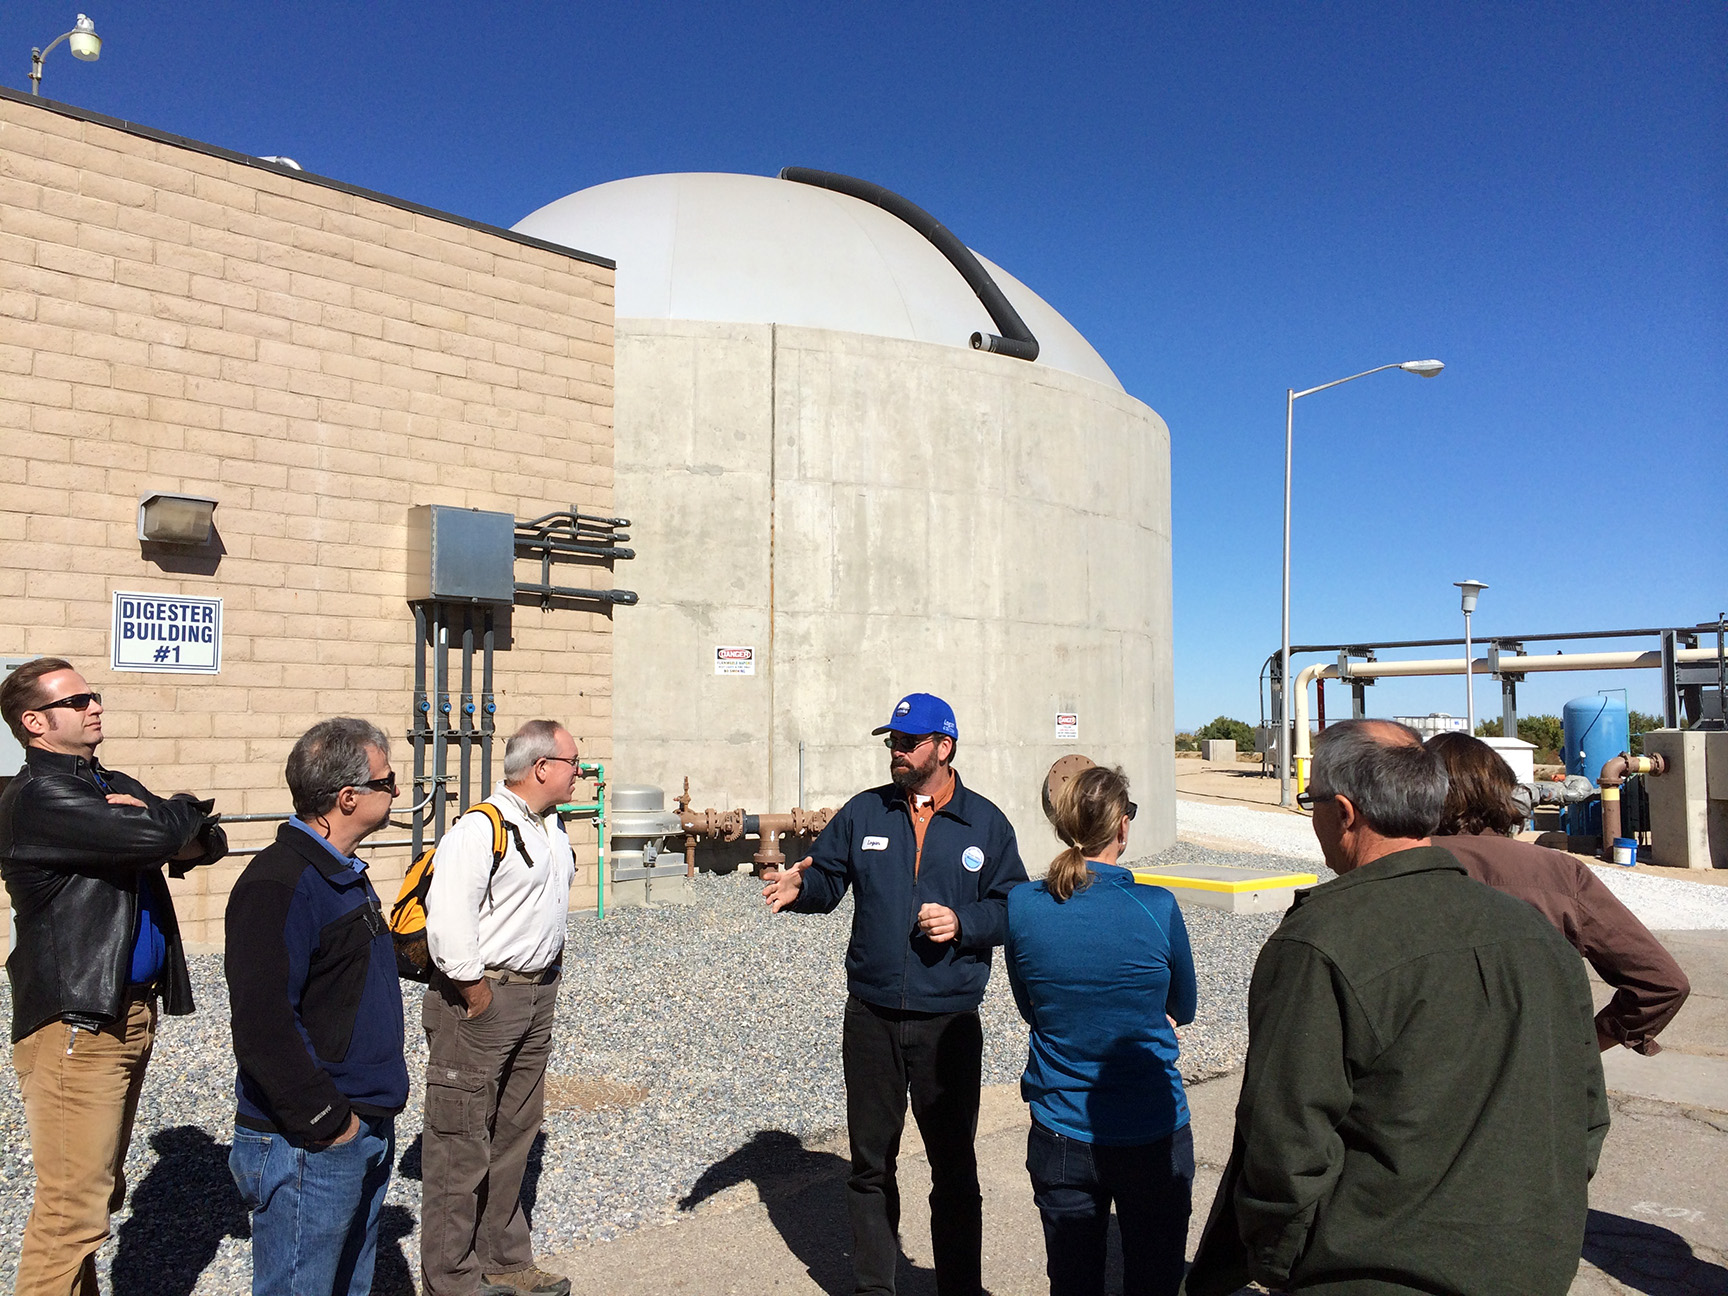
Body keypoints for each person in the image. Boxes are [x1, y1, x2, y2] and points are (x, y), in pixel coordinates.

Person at [1186, 719, 1609, 1296]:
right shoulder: (1538, 937)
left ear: (1343, 812)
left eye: (1312, 802)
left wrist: (1282, 1262)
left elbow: (1283, 1145)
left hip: (1368, 1274)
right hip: (1532, 1268)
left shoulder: (1318, 942)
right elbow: (1585, 1114)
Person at [764, 692, 1028, 1296]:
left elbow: (1013, 906)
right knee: (870, 1166)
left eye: (909, 743)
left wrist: (964, 922)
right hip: (872, 1016)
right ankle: (873, 1288)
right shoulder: (866, 812)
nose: (897, 752)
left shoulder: (986, 824)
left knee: (953, 1168)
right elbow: (827, 878)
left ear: (944, 747)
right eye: (893, 742)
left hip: (948, 1022)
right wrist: (799, 889)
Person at [0, 657, 225, 1296]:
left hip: (129, 1013)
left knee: (94, 1197)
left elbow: (208, 841)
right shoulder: (42, 797)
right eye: (76, 701)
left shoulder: (106, 783)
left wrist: (160, 822)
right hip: (77, 1022)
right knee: (73, 1211)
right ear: (35, 722)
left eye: (93, 695)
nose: (95, 706)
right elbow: (167, 834)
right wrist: (163, 821)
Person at [224, 717, 408, 1296]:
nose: (397, 790)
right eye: (387, 781)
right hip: (309, 1143)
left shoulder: (342, 875)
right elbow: (263, 1025)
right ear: (347, 797)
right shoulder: (279, 883)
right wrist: (331, 1123)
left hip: (361, 1124)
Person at [1005, 759, 1195, 1296]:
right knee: (1154, 1280)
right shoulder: (1157, 906)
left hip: (1061, 1124)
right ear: (1122, 826)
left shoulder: (1024, 904)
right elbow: (1183, 1005)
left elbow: (1029, 1006)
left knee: (1073, 1281)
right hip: (1151, 1124)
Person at [421, 719, 580, 1296]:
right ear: (541, 767)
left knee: (514, 1134)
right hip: (482, 998)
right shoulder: (479, 829)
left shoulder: (550, 826)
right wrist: (478, 995)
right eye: (573, 763)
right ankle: (451, 1280)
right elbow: (449, 922)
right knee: (459, 1142)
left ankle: (504, 1262)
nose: (580, 773)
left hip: (536, 996)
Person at [1427, 730, 1690, 1054]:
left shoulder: (1388, 871)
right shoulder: (1560, 873)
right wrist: (1581, 1049)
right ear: (1505, 793)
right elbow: (1663, 983)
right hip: (1537, 1072)